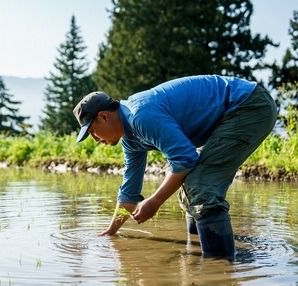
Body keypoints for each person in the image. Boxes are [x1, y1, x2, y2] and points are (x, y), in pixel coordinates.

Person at [72, 75, 277, 261]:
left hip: (248, 105)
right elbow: (129, 193)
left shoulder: (140, 116)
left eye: (92, 131)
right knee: (189, 189)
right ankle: (197, 255)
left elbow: (185, 160)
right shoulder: (130, 139)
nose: (96, 139)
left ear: (104, 116)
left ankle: (219, 270)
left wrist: (155, 201)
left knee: (200, 187)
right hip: (231, 114)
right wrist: (111, 231)